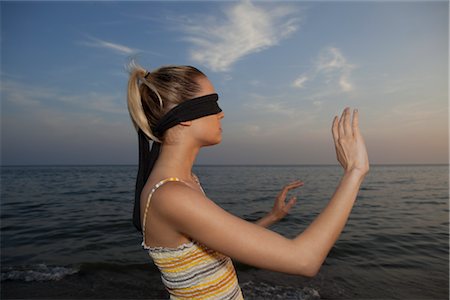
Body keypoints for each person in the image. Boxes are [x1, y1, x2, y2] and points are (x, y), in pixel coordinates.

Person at [126, 63, 369, 299]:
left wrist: (273, 217)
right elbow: (305, 260)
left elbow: (219, 244)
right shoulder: (171, 195)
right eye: (212, 103)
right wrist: (354, 171)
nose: (221, 113)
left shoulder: (183, 182)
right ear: (184, 115)